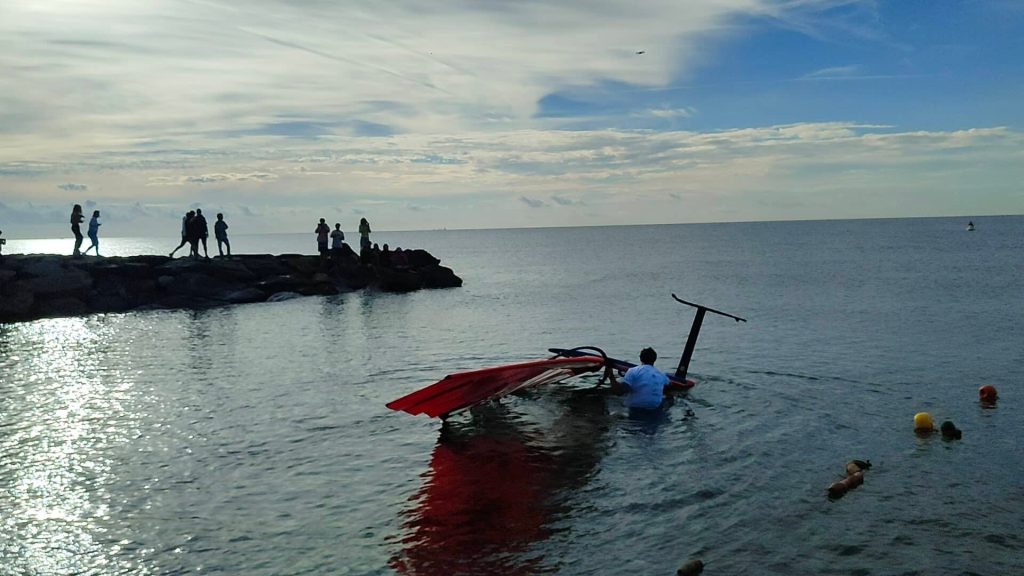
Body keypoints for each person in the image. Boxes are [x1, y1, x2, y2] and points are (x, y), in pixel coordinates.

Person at [605, 347, 670, 410]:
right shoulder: (662, 375)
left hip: (635, 408)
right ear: (655, 359)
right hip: (656, 408)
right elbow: (669, 385)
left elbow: (619, 392)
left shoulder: (633, 371)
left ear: (640, 358)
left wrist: (611, 376)